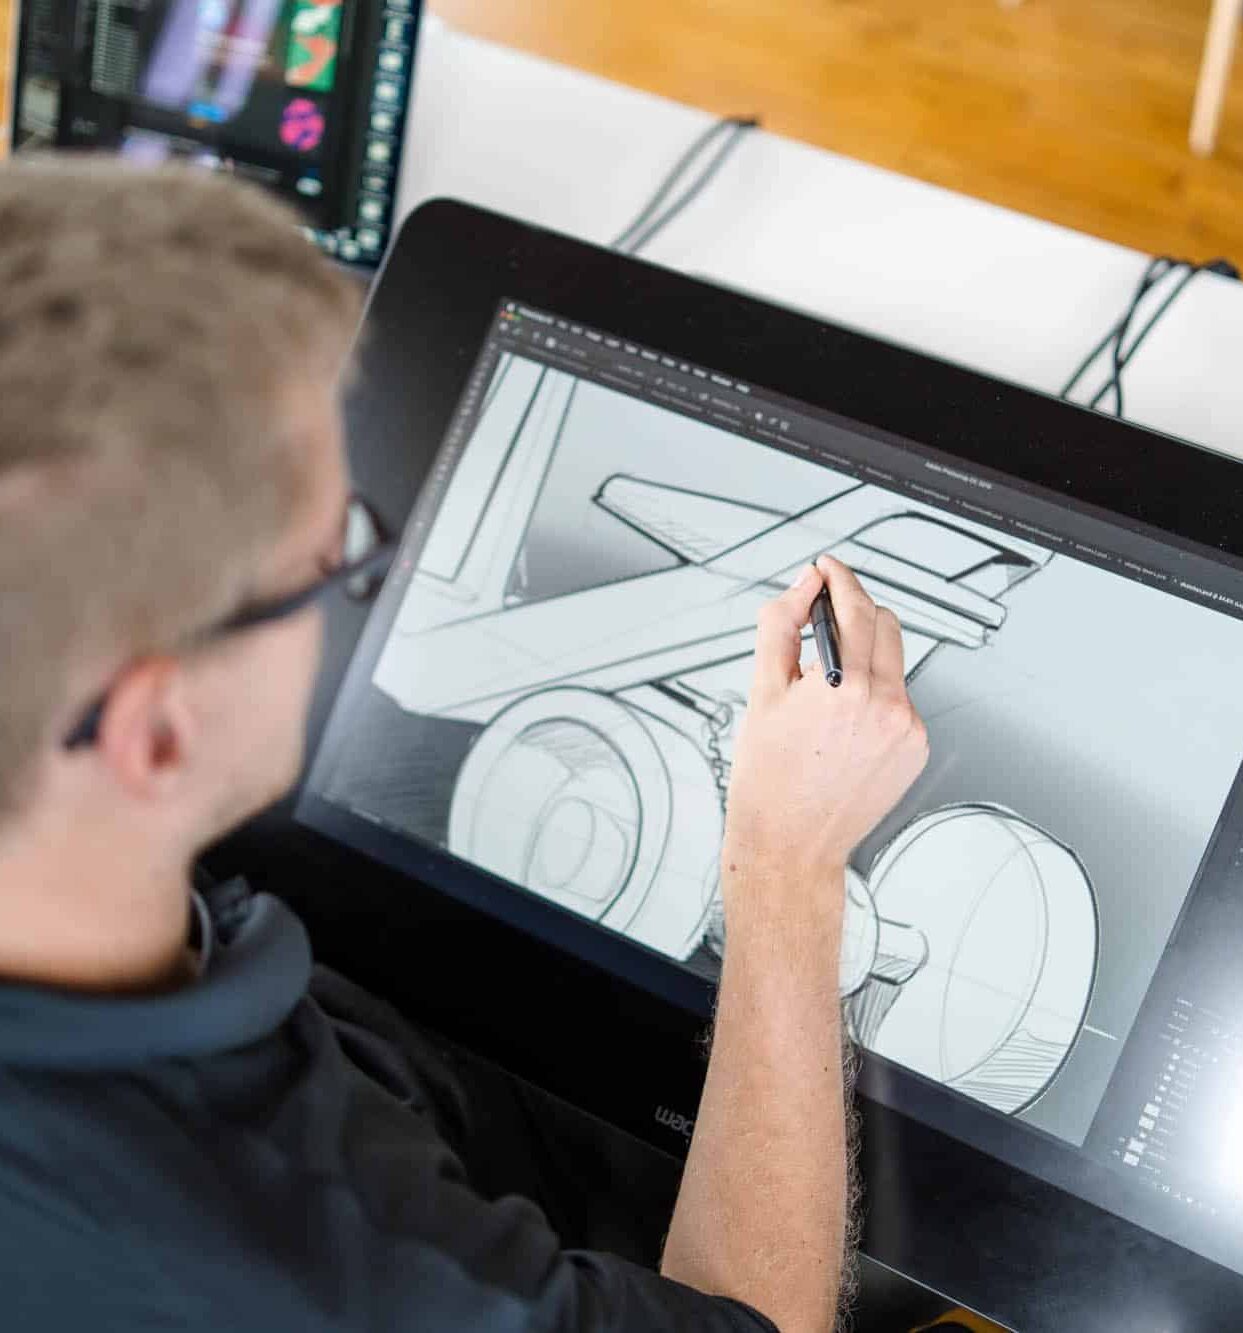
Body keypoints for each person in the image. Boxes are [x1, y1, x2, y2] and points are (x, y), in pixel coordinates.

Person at [0, 158, 928, 1333]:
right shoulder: (308, 1272)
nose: (361, 586)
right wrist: (788, 869)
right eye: (338, 556)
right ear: (154, 733)